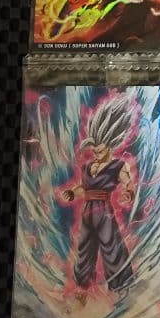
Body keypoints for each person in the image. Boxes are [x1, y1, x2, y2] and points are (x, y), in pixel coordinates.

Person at [58, 94, 135, 303]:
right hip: (88, 212)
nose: (96, 152)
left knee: (112, 247)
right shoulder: (88, 167)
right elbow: (83, 187)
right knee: (84, 249)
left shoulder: (118, 166)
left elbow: (127, 183)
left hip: (104, 212)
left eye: (99, 149)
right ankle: (82, 288)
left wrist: (128, 193)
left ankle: (120, 287)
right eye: (94, 149)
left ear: (109, 145)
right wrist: (72, 193)